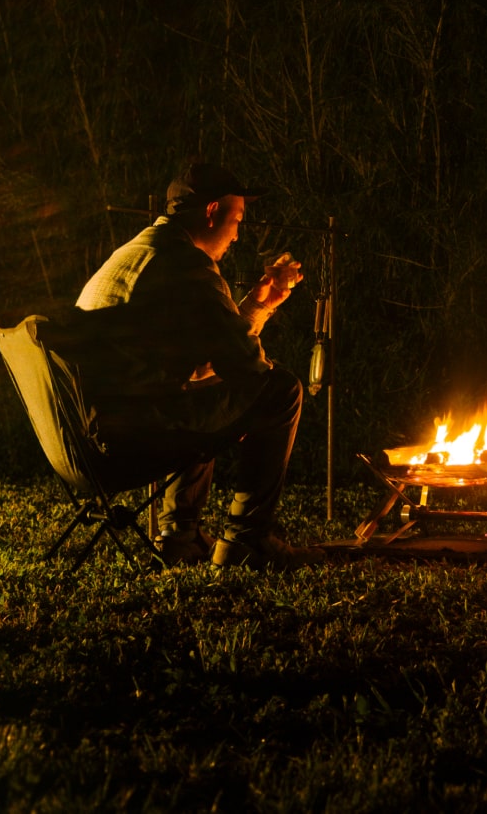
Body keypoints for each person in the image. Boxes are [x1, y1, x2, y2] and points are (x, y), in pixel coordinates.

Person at [69, 162, 322, 570]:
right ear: (211, 212)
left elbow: (204, 359)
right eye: (237, 218)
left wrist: (258, 306)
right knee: (282, 389)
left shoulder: (133, 253)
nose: (238, 233)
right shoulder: (186, 265)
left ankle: (180, 535)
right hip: (132, 436)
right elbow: (247, 368)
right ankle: (248, 539)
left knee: (201, 387)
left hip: (91, 433)